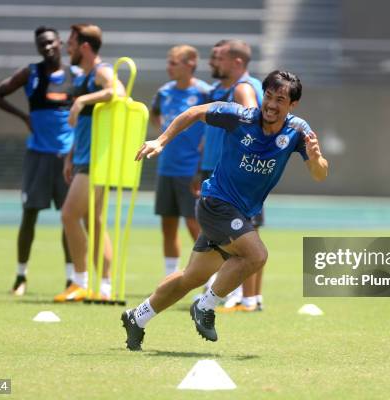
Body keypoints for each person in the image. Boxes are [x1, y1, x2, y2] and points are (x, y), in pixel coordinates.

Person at [122, 70, 329, 350]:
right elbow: (195, 112)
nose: (271, 104)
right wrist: (161, 140)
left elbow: (319, 174)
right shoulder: (239, 116)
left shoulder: (298, 130)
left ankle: (138, 317)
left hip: (239, 213)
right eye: (268, 96)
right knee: (257, 255)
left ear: (292, 105)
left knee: (191, 277)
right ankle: (205, 306)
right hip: (216, 204)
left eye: (280, 99)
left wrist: (316, 158)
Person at [0, 26, 78, 296]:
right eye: (41, 44)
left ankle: (71, 279)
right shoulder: (31, 73)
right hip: (38, 155)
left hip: (66, 157)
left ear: (60, 43)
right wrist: (24, 117)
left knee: (69, 218)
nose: (47, 47)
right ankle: (20, 276)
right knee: (29, 216)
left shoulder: (76, 75)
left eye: (50, 42)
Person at [53, 24, 125, 302]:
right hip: (83, 156)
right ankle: (103, 287)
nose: (66, 49)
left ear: (84, 46)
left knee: (69, 215)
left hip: (97, 159)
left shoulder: (101, 71)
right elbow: (85, 125)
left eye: (70, 43)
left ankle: (80, 281)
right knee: (93, 220)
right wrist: (70, 155)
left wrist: (81, 100)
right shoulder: (85, 76)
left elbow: (117, 90)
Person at [200, 39, 266, 312]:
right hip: (216, 169)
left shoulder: (244, 89)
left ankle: (250, 299)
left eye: (219, 57)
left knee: (249, 234)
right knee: (229, 236)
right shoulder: (219, 89)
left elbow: (251, 123)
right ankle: (238, 294)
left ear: (237, 61)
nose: (213, 62)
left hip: (236, 175)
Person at [151, 45, 211, 277]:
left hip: (191, 170)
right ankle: (170, 276)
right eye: (168, 62)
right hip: (166, 168)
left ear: (190, 65)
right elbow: (154, 113)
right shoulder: (164, 92)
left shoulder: (205, 93)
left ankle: (209, 275)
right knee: (167, 226)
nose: (169, 67)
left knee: (195, 226)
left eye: (173, 62)